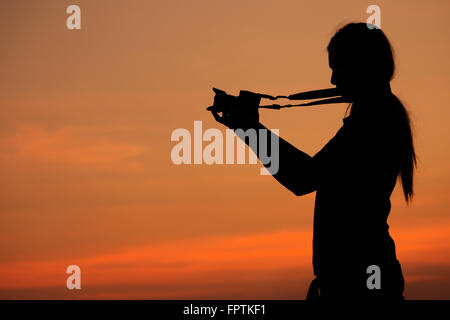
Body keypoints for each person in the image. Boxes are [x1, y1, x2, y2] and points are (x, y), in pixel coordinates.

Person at [209, 22, 416, 299]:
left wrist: (249, 130)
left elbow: (303, 178)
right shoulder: (380, 115)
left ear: (359, 63)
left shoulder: (371, 123)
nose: (333, 80)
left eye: (337, 66)